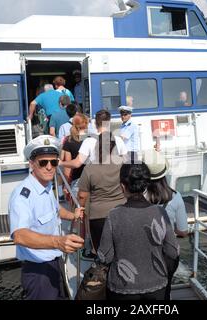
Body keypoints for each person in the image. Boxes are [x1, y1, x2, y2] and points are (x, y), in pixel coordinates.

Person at [8, 135, 85, 300]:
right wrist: (58, 242)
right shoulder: (23, 195)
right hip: (38, 271)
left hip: (54, 261)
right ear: (32, 164)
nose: (49, 167)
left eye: (54, 162)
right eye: (43, 162)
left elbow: (55, 209)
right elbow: (19, 235)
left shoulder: (46, 186)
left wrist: (73, 215)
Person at [98, 163, 180, 300]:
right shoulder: (160, 212)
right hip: (157, 286)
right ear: (145, 185)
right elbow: (173, 251)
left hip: (122, 288)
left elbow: (105, 256)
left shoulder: (114, 215)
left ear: (122, 186)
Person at [142, 149, 188, 299]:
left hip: (144, 253)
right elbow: (183, 231)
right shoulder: (176, 197)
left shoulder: (139, 196)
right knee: (165, 291)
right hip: (168, 254)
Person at [77, 124, 127, 254]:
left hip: (98, 216)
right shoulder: (123, 164)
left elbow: (82, 196)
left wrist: (80, 209)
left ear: (98, 146)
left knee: (101, 253)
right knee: (122, 250)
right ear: (113, 147)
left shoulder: (90, 168)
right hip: (122, 212)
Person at [60, 109, 128, 169]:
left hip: (96, 180)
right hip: (115, 180)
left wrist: (61, 163)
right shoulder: (118, 140)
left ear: (95, 123)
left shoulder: (89, 141)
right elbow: (126, 161)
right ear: (109, 123)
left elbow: (77, 163)